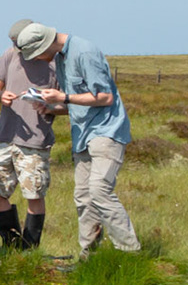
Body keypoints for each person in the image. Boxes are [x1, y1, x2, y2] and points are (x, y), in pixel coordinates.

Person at [16, 20, 139, 256]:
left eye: (37, 54)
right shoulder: (61, 57)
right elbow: (80, 103)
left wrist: (63, 96)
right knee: (83, 197)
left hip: (106, 132)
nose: (39, 59)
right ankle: (88, 257)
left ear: (46, 43)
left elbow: (104, 98)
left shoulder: (85, 52)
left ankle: (130, 253)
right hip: (82, 134)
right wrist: (52, 107)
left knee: (99, 190)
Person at [0, 25, 66, 250]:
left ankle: (29, 251)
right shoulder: (10, 55)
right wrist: (0, 95)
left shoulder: (56, 63)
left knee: (34, 194)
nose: (16, 47)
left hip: (35, 142)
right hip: (4, 138)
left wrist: (50, 107)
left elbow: (69, 103)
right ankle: (12, 245)